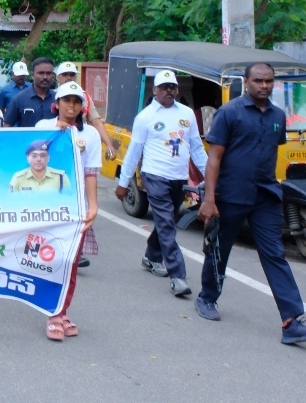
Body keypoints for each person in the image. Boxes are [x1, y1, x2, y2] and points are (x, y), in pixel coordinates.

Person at [195, 63, 306, 344]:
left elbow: (270, 154)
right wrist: (209, 199)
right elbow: (214, 158)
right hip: (230, 195)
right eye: (258, 80)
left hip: (265, 196)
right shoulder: (229, 113)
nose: (264, 85)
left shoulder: (278, 115)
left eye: (269, 81)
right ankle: (207, 297)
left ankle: (292, 320)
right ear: (246, 82)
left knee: (275, 254)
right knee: (219, 250)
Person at [115, 70, 206, 295]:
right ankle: (178, 276)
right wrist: (124, 182)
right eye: (163, 87)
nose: (168, 90)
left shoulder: (186, 113)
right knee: (166, 223)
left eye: (172, 86)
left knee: (168, 221)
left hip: (179, 178)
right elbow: (134, 151)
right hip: (155, 176)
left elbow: (196, 147)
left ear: (177, 89)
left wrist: (211, 177)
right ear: (155, 90)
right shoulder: (145, 117)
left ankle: (151, 257)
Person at [33, 82, 100, 341]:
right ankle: (53, 311)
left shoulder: (90, 134)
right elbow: (31, 156)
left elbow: (90, 172)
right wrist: (56, 133)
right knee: (51, 260)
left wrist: (93, 206)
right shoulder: (43, 127)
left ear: (83, 106)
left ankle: (60, 311)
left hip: (75, 208)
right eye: (66, 100)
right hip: (46, 207)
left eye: (76, 101)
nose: (71, 106)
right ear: (56, 104)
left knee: (70, 263)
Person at [55, 61, 116, 159]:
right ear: (57, 77)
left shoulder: (84, 97)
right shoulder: (52, 96)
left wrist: (109, 145)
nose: (69, 77)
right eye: (65, 74)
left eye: (72, 74)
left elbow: (96, 122)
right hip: (56, 143)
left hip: (79, 144)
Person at [4, 57, 56, 127]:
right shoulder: (19, 99)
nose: (45, 77)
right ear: (32, 75)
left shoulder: (58, 99)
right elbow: (7, 126)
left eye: (49, 73)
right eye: (41, 73)